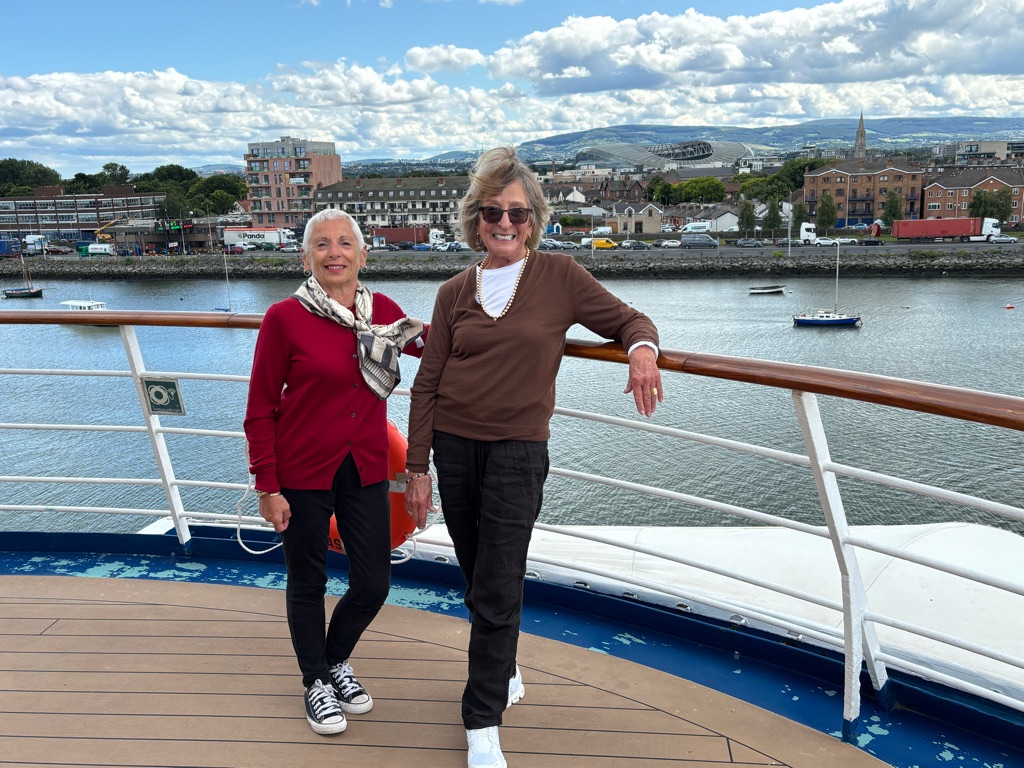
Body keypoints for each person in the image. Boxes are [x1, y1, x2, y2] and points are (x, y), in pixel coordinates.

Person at [405, 147, 663, 768]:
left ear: (533, 221)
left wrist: (642, 352)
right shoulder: (453, 292)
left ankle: (481, 720)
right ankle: (505, 665)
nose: (505, 223)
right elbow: (428, 382)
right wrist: (417, 468)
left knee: (498, 582)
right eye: (492, 211)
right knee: (478, 577)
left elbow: (630, 320)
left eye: (517, 213)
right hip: (455, 449)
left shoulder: (560, 277)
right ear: (475, 220)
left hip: (518, 452)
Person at [244, 208, 426, 735]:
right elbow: (260, 408)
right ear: (306, 258)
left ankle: (334, 660)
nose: (334, 253)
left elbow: (437, 345)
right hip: (300, 471)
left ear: (363, 255)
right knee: (308, 580)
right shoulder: (284, 318)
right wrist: (267, 486)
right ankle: (316, 682)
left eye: (345, 242)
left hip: (365, 466)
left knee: (373, 582)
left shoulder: (383, 312)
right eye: (321, 244)